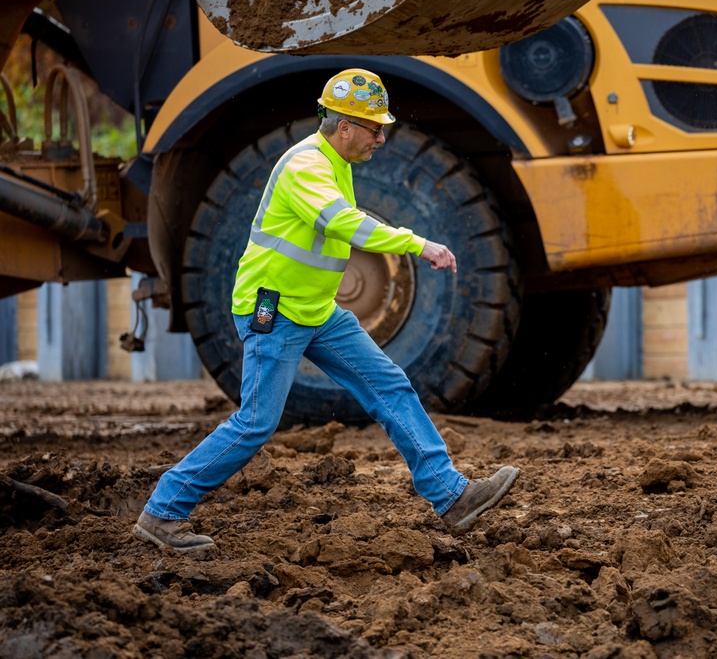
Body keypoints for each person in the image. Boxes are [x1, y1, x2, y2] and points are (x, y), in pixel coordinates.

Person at [133, 68, 519, 554]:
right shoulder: (306, 166)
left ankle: (452, 496)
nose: (382, 136)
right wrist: (419, 244)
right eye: (375, 128)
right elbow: (346, 225)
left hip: (316, 310)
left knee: (389, 384)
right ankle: (163, 511)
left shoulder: (336, 163)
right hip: (272, 310)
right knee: (255, 423)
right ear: (345, 127)